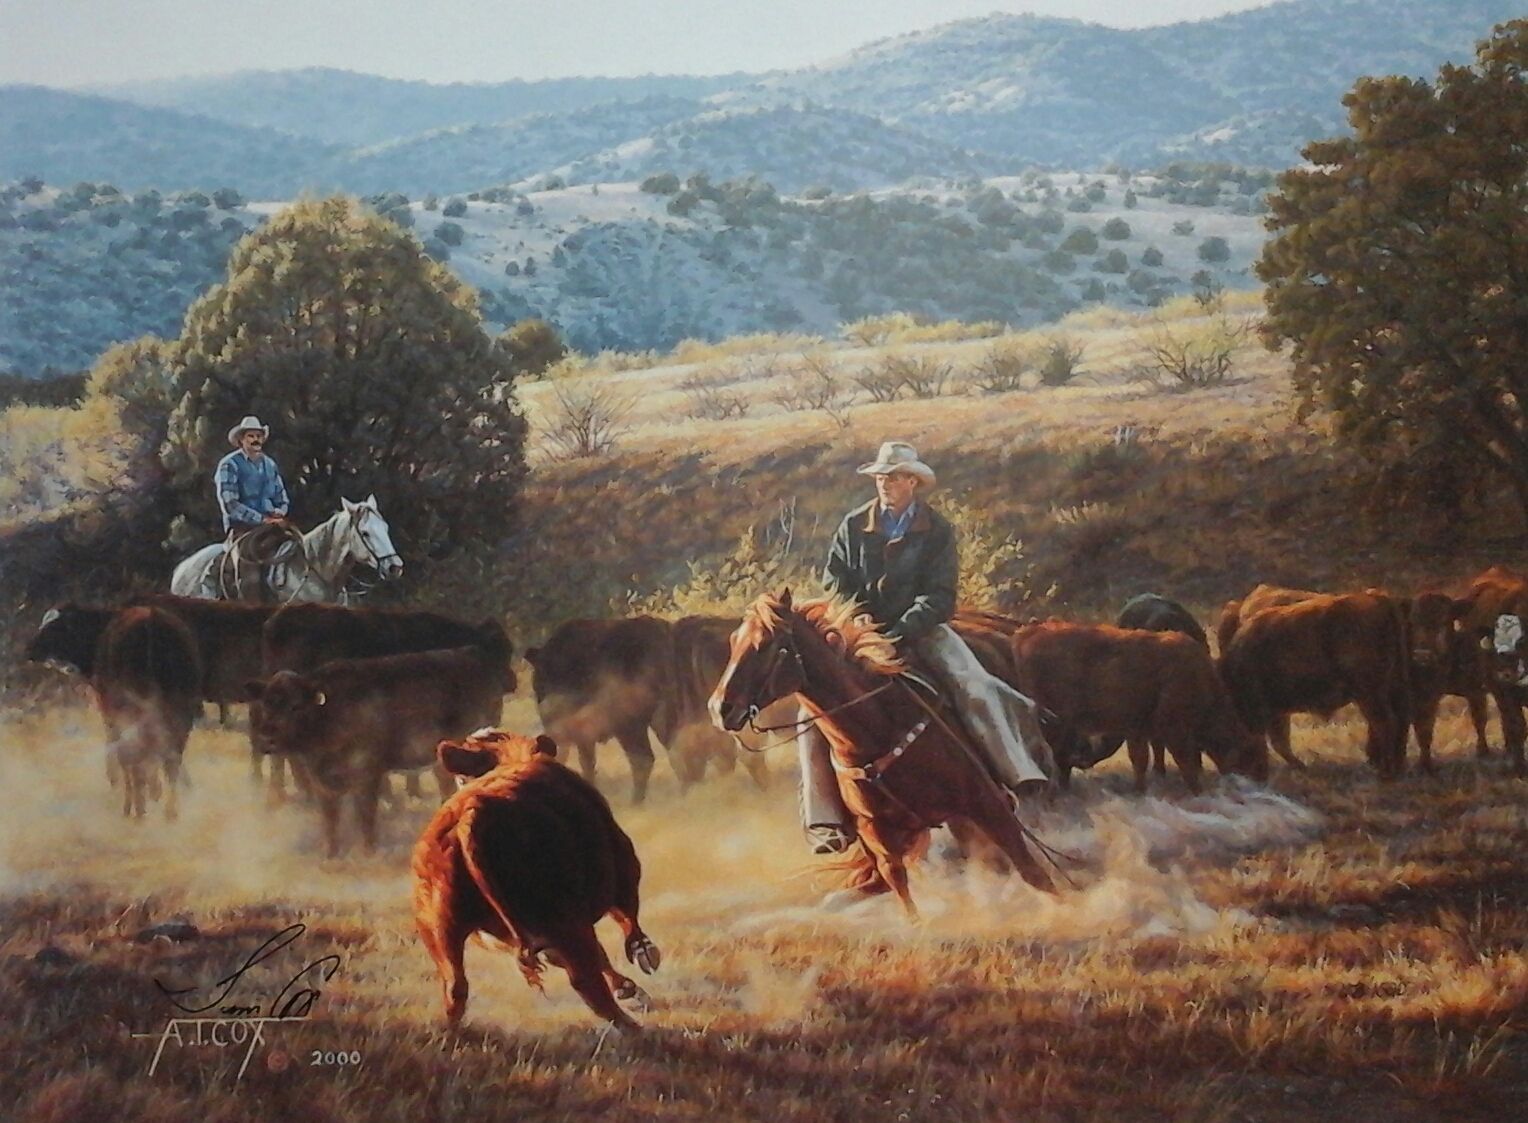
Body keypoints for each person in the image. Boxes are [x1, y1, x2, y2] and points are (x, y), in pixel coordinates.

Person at [798, 441, 1054, 855]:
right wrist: (857, 619)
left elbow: (939, 595)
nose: (886, 483)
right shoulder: (852, 525)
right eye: (881, 476)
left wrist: (901, 630)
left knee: (974, 686)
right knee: (812, 713)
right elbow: (836, 581)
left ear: (913, 482)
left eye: (895, 476)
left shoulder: (936, 529)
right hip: (861, 631)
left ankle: (1014, 774)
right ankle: (825, 820)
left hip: (923, 630)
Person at [215, 415, 294, 592]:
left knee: (300, 551)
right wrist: (262, 519)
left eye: (258, 436)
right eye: (251, 436)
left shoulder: (270, 465)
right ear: (241, 440)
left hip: (272, 526)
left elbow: (282, 497)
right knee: (249, 575)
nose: (256, 440)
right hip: (243, 528)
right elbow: (230, 504)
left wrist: (280, 512)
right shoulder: (229, 465)